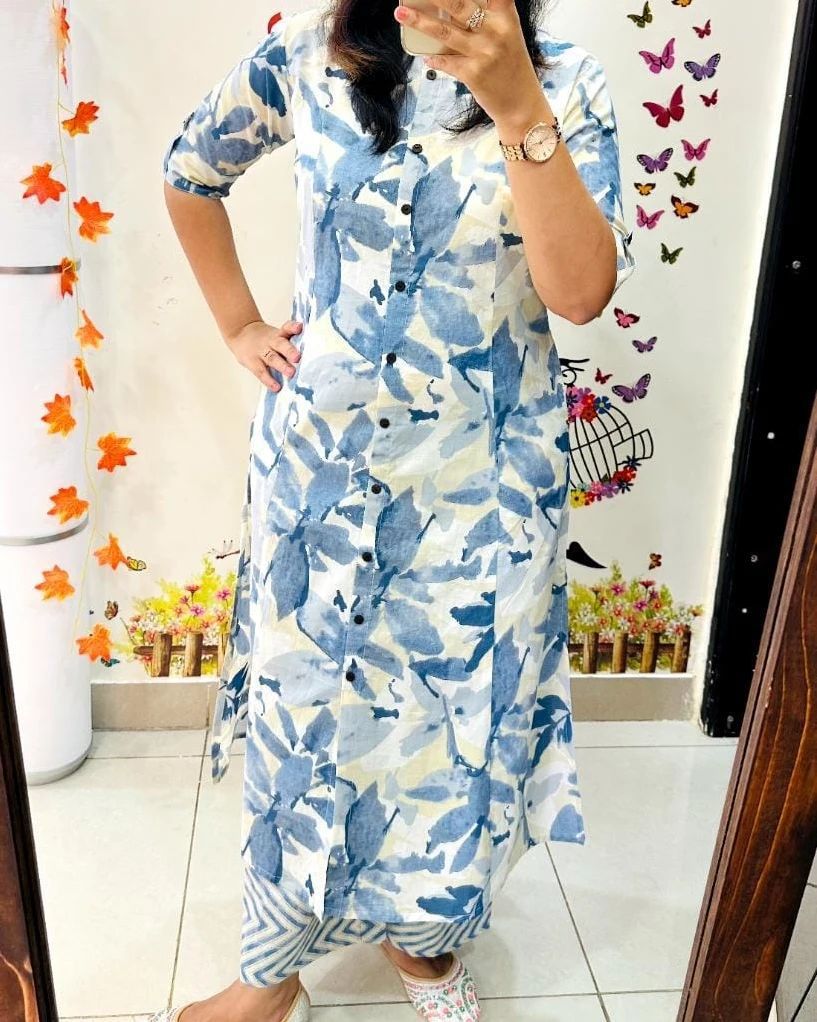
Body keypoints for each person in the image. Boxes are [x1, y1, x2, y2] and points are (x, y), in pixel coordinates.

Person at [154, 0, 635, 1019]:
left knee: (458, 737)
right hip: (319, 485)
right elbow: (190, 171)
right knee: (306, 731)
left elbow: (579, 293)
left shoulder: (565, 82)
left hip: (485, 495)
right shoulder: (305, 54)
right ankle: (270, 969)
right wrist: (240, 323)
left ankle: (423, 945)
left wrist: (517, 108)